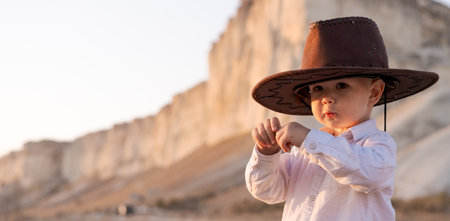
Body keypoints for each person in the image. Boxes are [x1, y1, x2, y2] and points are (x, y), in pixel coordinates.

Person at [245, 16, 438, 221]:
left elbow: (367, 174)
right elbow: (266, 191)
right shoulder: (302, 153)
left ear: (374, 92)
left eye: (342, 86)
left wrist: (309, 140)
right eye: (317, 88)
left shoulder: (377, 145)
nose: (327, 98)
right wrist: (266, 155)